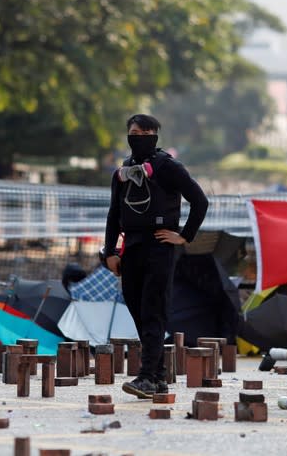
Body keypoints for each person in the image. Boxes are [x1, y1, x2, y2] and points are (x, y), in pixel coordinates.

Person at [103, 114, 209, 399]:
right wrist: (110, 252)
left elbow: (200, 201)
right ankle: (158, 376)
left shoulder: (168, 167)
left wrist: (184, 235)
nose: (141, 136)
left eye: (147, 131)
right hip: (131, 248)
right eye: (136, 131)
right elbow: (114, 214)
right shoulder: (124, 171)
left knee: (153, 310)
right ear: (128, 134)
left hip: (160, 247)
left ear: (156, 135)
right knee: (138, 310)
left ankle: (147, 377)